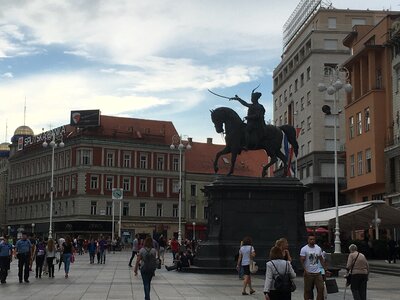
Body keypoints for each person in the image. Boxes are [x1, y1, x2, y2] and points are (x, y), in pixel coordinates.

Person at [300, 235, 327, 300]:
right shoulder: (304, 249)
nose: (312, 240)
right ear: (308, 240)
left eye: (313, 239)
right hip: (309, 272)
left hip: (318, 272)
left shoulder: (318, 248)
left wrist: (325, 269)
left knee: (321, 288)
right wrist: (305, 269)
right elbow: (302, 260)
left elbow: (321, 259)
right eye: (311, 239)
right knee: (307, 290)